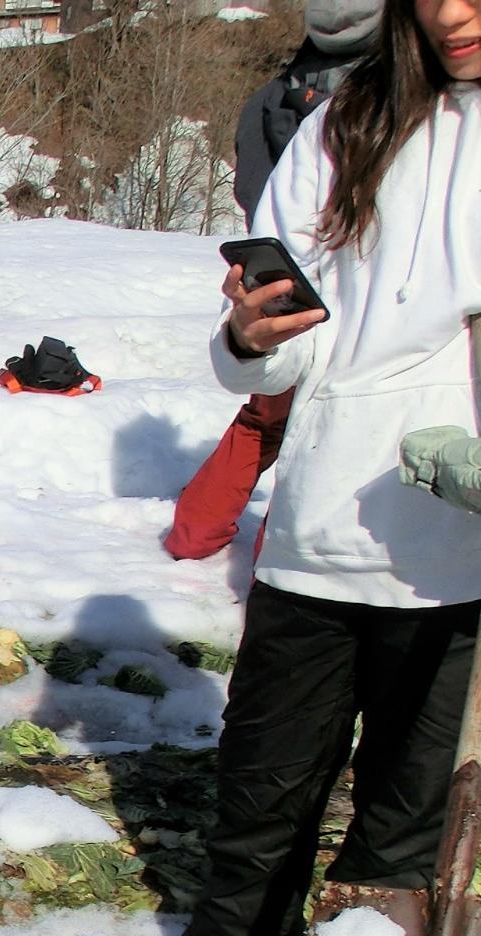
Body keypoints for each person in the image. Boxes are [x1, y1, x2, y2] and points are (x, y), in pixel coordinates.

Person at [178, 0, 481, 936]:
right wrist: (251, 339)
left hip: (455, 562)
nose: (449, 13)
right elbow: (288, 349)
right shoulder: (344, 123)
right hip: (315, 540)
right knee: (254, 822)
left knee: (400, 840)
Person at [163, 0, 383, 562]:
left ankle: (194, 535)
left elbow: (249, 187)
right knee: (317, 437)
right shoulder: (379, 102)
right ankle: (274, 566)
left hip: (272, 280)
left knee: (263, 420)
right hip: (351, 292)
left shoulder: (270, 98)